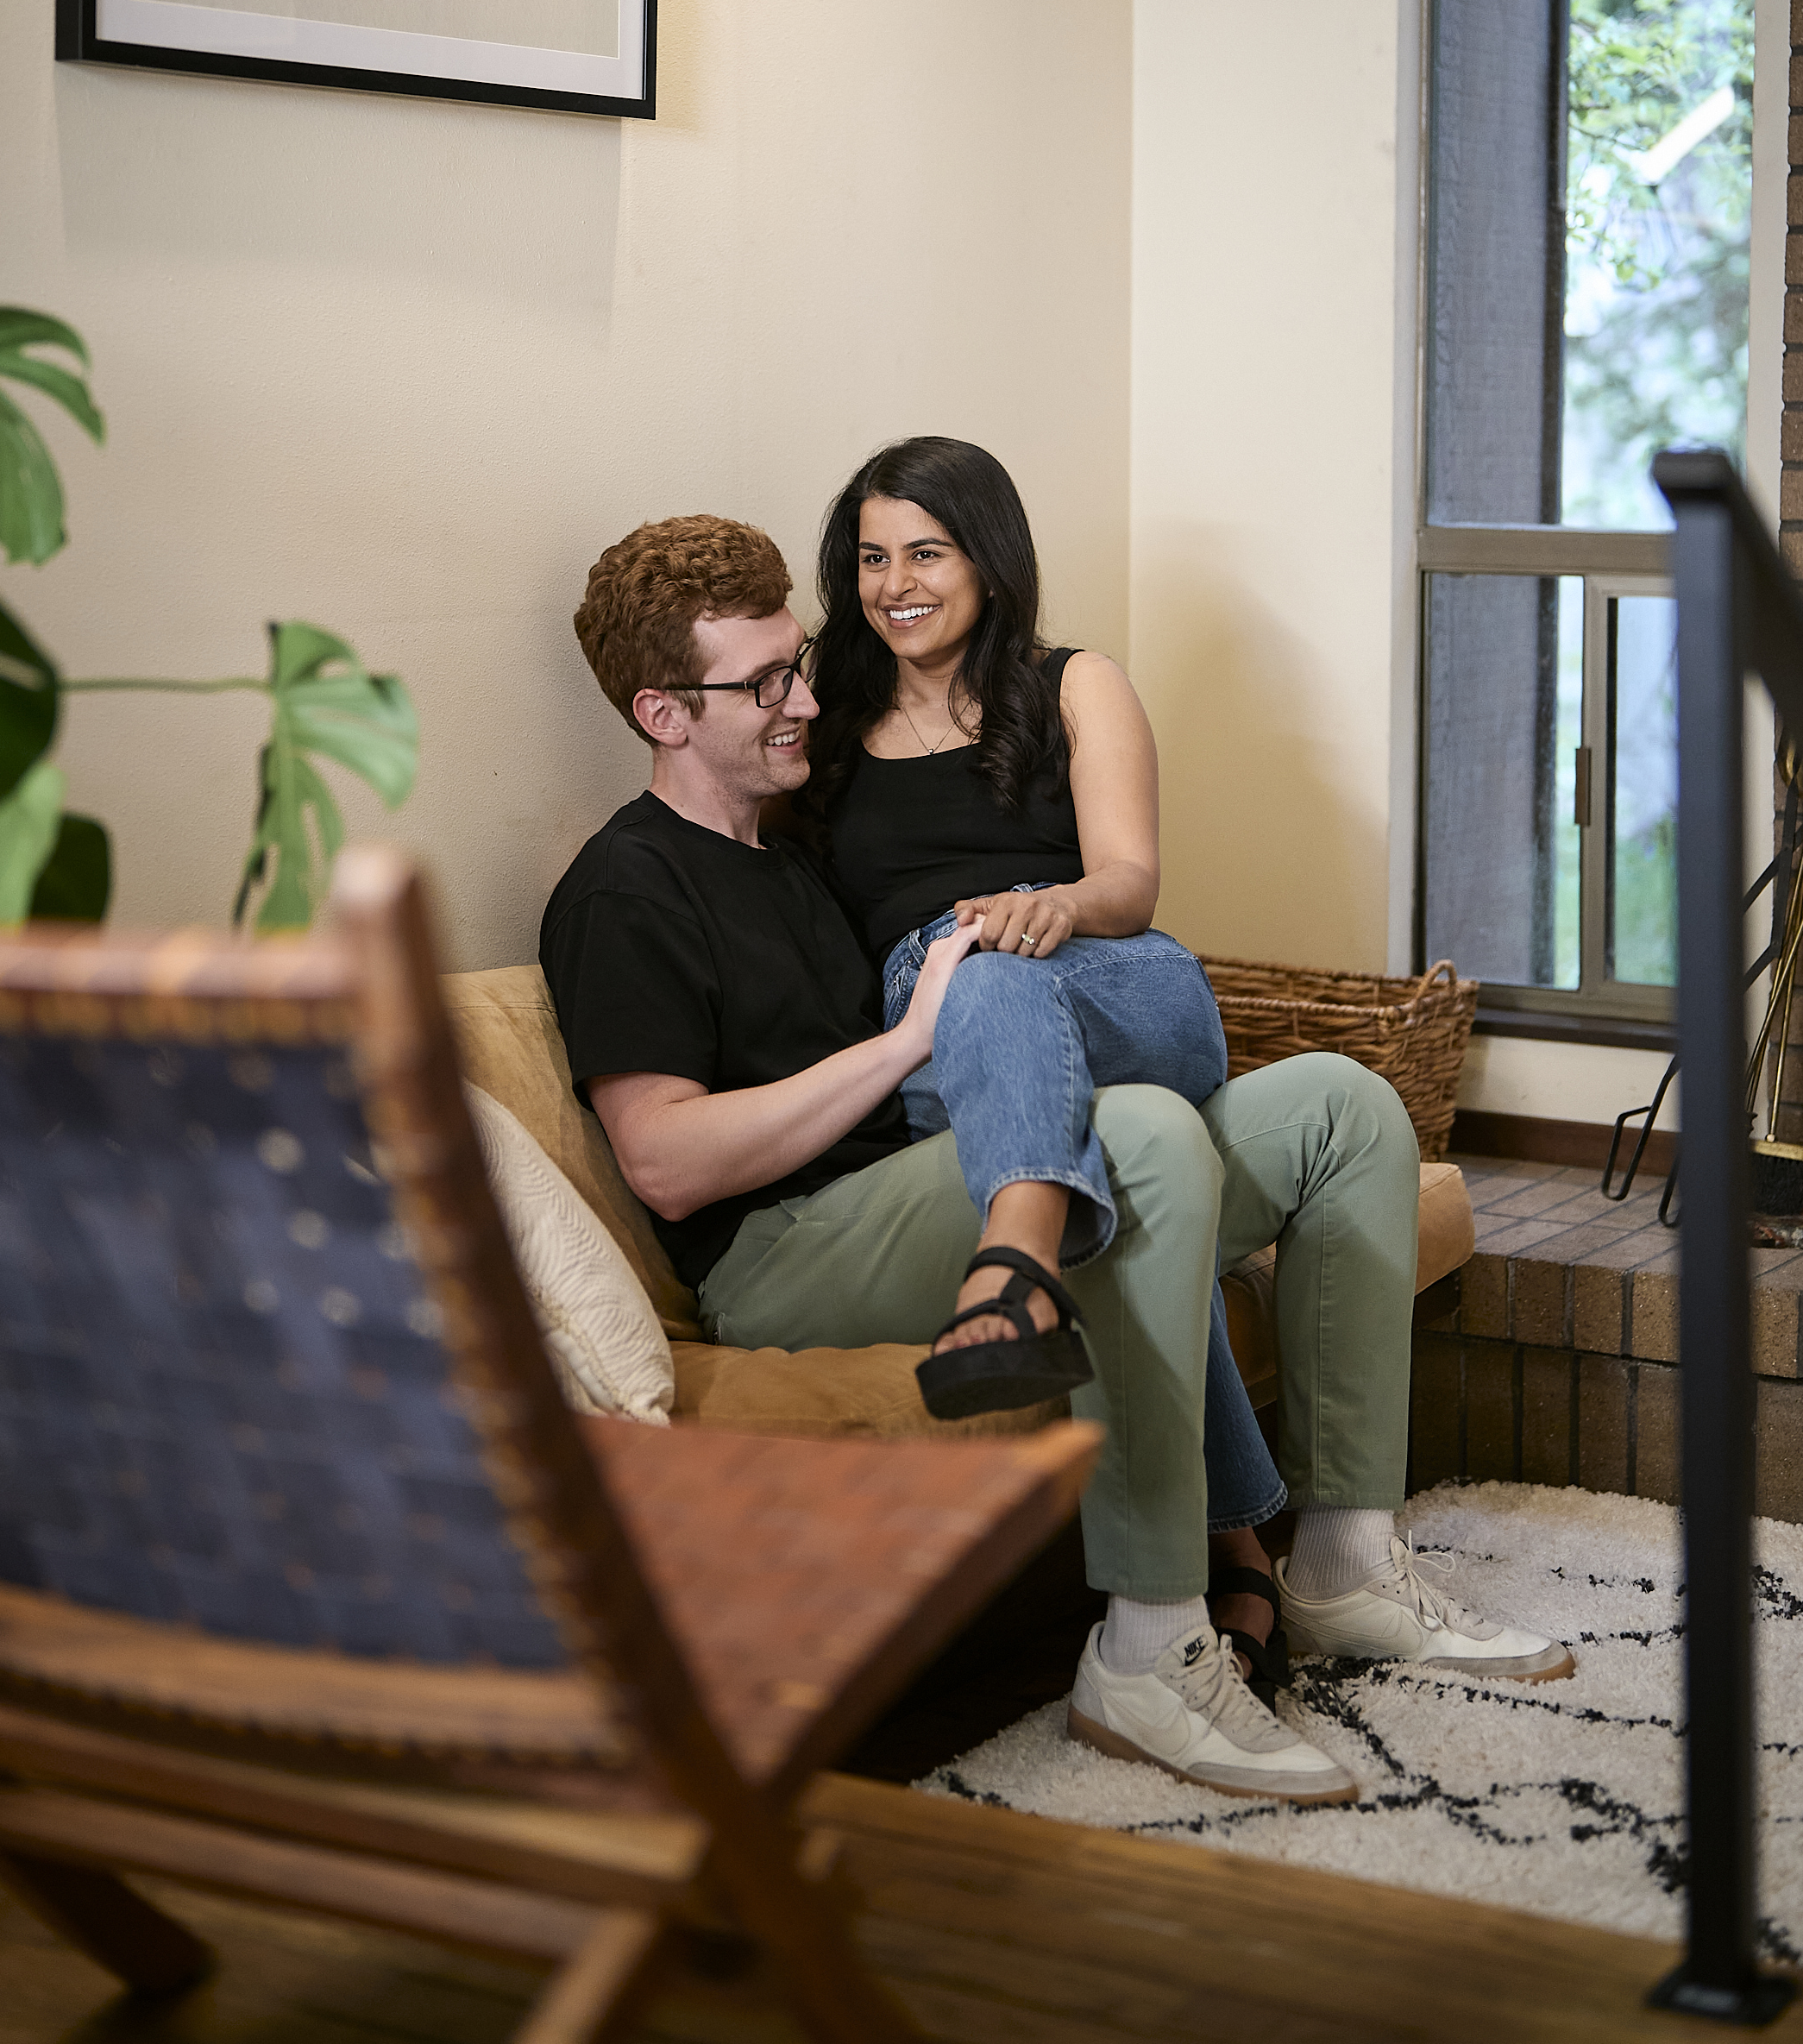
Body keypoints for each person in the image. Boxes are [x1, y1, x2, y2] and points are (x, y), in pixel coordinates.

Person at [542, 513, 1569, 1808]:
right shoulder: (624, 887)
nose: (804, 700)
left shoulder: (794, 855)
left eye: (796, 664)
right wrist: (906, 1040)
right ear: (663, 714)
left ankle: (1347, 1565)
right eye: (763, 687)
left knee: (1340, 1107)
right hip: (783, 1251)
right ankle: (1145, 1647)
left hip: (923, 1183)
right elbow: (666, 1162)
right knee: (1135, 1135)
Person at [798, 435, 1294, 1697]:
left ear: (987, 556)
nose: (895, 584)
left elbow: (1131, 881)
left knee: (1000, 968)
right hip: (942, 1024)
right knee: (1012, 1026)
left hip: (1118, 979)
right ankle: (1239, 1546)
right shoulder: (829, 723)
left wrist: (1051, 907)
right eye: (870, 558)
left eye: (926, 553)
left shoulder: (1074, 684)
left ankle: (1012, 1269)